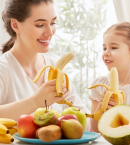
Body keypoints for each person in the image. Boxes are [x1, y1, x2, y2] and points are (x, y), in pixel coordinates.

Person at [0, 0, 90, 131]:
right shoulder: (4, 69)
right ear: (15, 25)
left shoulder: (56, 69)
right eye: (40, 25)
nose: (50, 32)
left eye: (52, 23)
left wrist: (101, 110)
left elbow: (85, 126)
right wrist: (35, 101)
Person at [89, 22, 130, 132]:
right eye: (104, 48)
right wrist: (101, 106)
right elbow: (94, 129)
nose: (106, 53)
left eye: (113, 48)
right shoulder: (99, 85)